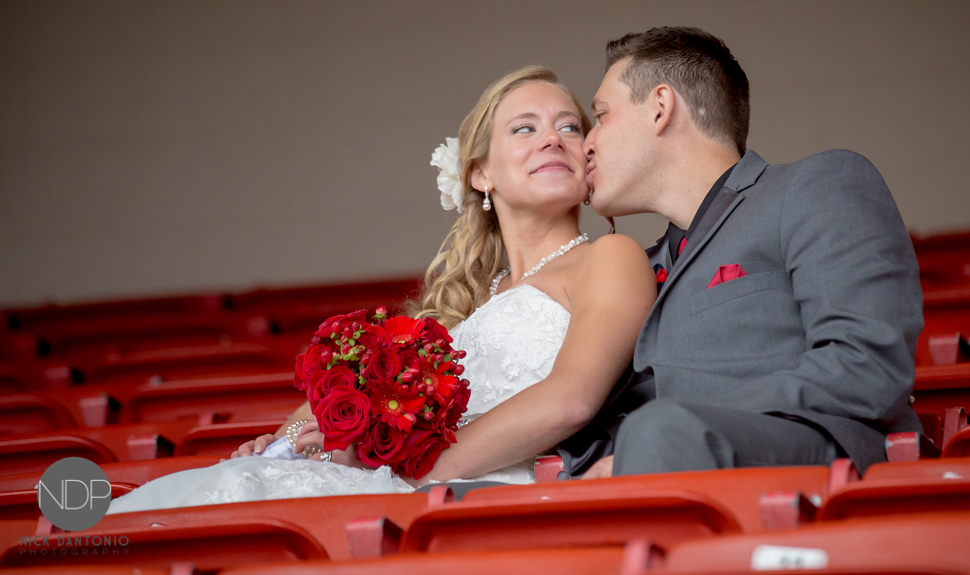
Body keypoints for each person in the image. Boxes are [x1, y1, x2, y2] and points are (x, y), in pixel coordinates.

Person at [107, 65, 655, 513]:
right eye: (525, 128)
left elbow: (571, 399)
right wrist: (284, 438)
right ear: (480, 174)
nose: (554, 138)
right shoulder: (468, 305)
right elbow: (363, 401)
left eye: (570, 126)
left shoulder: (608, 257)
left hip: (473, 498)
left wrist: (403, 465)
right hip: (415, 485)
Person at [560, 27, 923, 480]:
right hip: (649, 469)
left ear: (660, 107)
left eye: (601, 115)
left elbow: (865, 365)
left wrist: (654, 437)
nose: (585, 144)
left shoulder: (818, 185)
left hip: (815, 475)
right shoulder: (631, 270)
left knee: (657, 431)